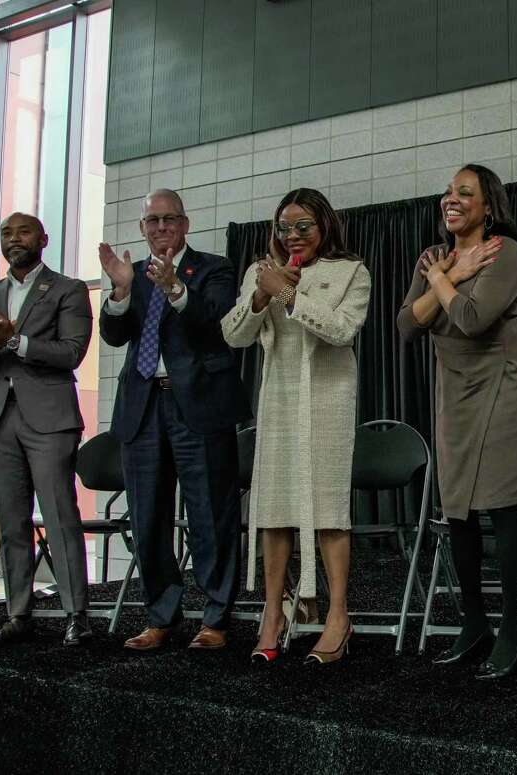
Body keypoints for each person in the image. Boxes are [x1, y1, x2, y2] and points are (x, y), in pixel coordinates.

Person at [397, 163, 517, 680]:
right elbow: (404, 325)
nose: (452, 199)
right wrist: (448, 275)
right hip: (456, 390)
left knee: (503, 506)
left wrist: (441, 279)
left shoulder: (504, 253)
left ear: (489, 207)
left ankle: (512, 628)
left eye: (465, 192)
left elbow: (470, 318)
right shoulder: (437, 257)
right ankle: (475, 621)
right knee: (457, 510)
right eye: (447, 192)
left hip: (505, 382)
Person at [221, 188, 370, 664]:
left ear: (324, 224)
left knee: (327, 507)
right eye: (284, 227)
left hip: (327, 397)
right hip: (280, 396)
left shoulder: (350, 271)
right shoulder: (259, 271)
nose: (292, 236)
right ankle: (273, 610)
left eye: (302, 226)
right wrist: (262, 294)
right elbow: (234, 333)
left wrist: (288, 292)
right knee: (276, 505)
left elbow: (341, 330)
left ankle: (338, 615)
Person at [99, 188, 251, 651]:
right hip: (143, 408)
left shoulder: (214, 268)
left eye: (170, 220)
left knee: (210, 514)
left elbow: (219, 320)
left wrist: (174, 288)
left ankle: (215, 619)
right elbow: (112, 334)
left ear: (185, 225)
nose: (161, 228)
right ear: (143, 229)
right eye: (152, 221)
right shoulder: (133, 274)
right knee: (147, 517)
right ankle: (160, 616)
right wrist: (122, 291)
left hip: (199, 405)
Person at [0, 213, 94, 648]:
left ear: (43, 239)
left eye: (24, 232)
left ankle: (77, 616)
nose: (15, 240)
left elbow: (71, 352)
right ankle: (18, 615)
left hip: (49, 419)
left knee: (59, 516)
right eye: (6, 234)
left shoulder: (67, 289)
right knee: (10, 523)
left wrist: (13, 341)